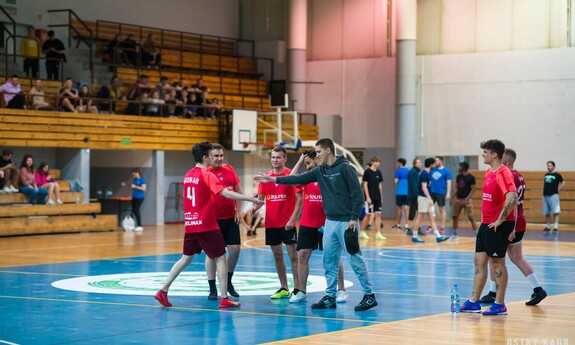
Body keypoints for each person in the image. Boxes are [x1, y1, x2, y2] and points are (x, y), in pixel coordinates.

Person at [255, 138, 378, 312]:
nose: (316, 155)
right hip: (330, 221)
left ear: (328, 150)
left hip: (346, 222)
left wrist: (353, 218)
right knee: (329, 260)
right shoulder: (320, 171)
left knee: (354, 258)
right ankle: (330, 295)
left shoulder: (345, 168)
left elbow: (357, 194)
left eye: (319, 152)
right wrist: (272, 179)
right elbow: (296, 179)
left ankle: (369, 295)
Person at [154, 141, 262, 309]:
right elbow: (226, 193)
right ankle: (224, 298)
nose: (214, 159)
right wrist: (251, 198)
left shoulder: (188, 174)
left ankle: (163, 290)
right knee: (220, 258)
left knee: (185, 259)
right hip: (206, 225)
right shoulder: (207, 175)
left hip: (190, 224)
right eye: (212, 155)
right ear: (205, 157)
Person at [478, 148, 547, 306]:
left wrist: (512, 228)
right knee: (516, 257)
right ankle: (538, 288)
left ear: (506, 161)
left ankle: (493, 292)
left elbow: (513, 201)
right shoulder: (519, 175)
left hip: (511, 222)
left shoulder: (507, 175)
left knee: (493, 257)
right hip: (519, 220)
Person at [460, 139, 518, 316]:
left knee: (497, 263)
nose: (483, 154)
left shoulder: (504, 173)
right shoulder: (488, 172)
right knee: (479, 261)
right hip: (486, 224)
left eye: (485, 152)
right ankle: (473, 301)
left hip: (497, 225)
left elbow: (512, 197)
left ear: (494, 155)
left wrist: (501, 221)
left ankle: (499, 304)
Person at [288, 150, 348, 304]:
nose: (307, 167)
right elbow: (291, 179)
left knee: (333, 258)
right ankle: (301, 291)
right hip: (308, 223)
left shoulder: (328, 175)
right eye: (305, 164)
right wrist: (300, 161)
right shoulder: (307, 178)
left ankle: (341, 290)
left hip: (327, 222)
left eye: (309, 163)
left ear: (317, 159)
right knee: (302, 256)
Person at [253, 146, 303, 299]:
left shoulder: (290, 175)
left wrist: (292, 219)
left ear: (285, 159)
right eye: (273, 157)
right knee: (278, 256)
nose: (275, 160)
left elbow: (300, 199)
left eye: (278, 157)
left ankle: (297, 288)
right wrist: (254, 207)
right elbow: (260, 199)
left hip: (287, 223)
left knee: (293, 256)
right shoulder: (265, 177)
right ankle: (284, 287)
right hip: (271, 223)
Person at [205, 144, 243, 301]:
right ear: (209, 157)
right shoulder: (205, 173)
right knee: (212, 254)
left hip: (230, 218)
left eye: (221, 155)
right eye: (215, 156)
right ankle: (212, 288)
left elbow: (238, 192)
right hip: (213, 220)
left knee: (235, 250)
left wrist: (239, 211)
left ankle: (228, 281)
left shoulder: (229, 169)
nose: (219, 158)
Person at [410, 158, 450, 243]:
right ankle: (414, 235)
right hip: (423, 198)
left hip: (426, 198)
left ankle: (438, 236)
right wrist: (429, 198)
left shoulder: (428, 173)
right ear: (431, 165)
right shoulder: (424, 173)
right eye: (434, 163)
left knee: (431, 217)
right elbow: (424, 187)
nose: (435, 165)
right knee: (420, 217)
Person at [359, 156, 385, 240]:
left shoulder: (379, 172)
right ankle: (362, 231)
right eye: (376, 162)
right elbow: (365, 185)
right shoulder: (367, 172)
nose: (378, 163)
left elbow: (379, 185)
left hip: (377, 197)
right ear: (372, 162)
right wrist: (367, 197)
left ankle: (378, 233)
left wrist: (381, 196)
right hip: (370, 197)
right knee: (368, 214)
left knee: (378, 214)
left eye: (379, 162)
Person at [451, 161, 477, 239]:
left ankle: (476, 233)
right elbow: (456, 188)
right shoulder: (458, 177)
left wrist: (466, 199)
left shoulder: (471, 177)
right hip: (458, 200)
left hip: (467, 201)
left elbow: (473, 190)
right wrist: (453, 198)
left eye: (460, 166)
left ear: (463, 168)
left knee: (471, 217)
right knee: (454, 216)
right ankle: (455, 233)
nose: (458, 168)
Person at [429, 156, 452, 234]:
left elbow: (449, 182)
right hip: (432, 192)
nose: (435, 162)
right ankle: (431, 225)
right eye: (435, 161)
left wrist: (448, 193)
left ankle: (442, 226)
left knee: (441, 210)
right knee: (430, 209)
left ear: (441, 161)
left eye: (437, 161)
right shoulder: (432, 170)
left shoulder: (446, 171)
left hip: (441, 192)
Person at [542, 160, 565, 232]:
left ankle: (555, 227)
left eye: (550, 166)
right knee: (547, 212)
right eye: (547, 166)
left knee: (556, 212)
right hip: (545, 196)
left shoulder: (557, 175)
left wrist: (557, 191)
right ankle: (548, 227)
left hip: (553, 196)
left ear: (554, 166)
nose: (548, 167)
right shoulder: (546, 175)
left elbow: (563, 183)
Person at [406, 158, 422, 236]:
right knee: (412, 212)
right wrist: (417, 195)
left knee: (420, 212)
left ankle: (418, 228)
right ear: (414, 164)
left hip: (416, 195)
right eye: (418, 162)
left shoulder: (417, 172)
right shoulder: (412, 172)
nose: (419, 164)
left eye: (420, 162)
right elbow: (414, 185)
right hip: (413, 196)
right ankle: (409, 229)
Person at [393, 158, 410, 231]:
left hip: (400, 192)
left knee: (399, 208)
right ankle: (407, 224)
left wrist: (396, 179)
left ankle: (399, 224)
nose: (397, 164)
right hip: (407, 192)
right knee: (406, 208)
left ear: (400, 163)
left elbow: (395, 181)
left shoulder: (398, 171)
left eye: (398, 163)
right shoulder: (408, 171)